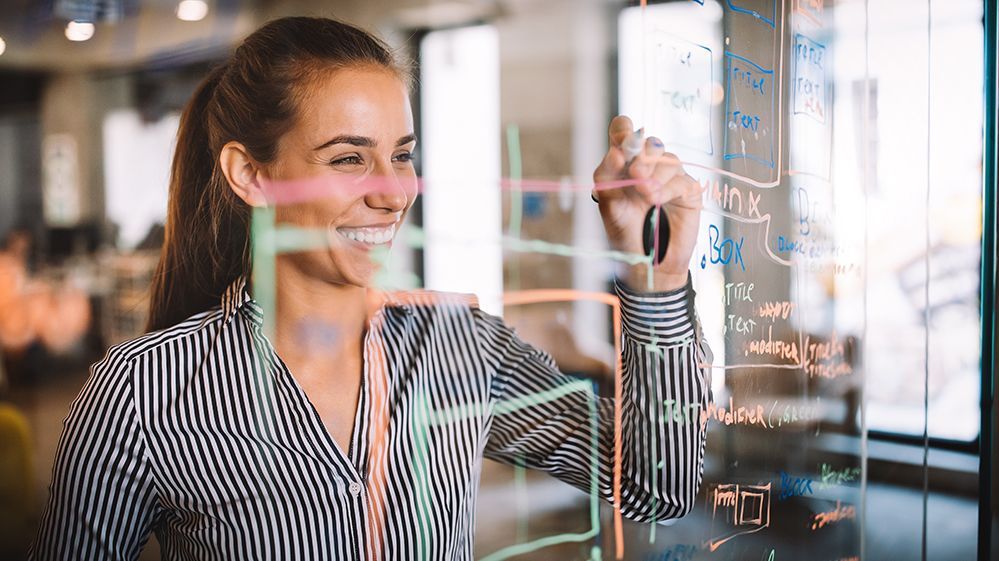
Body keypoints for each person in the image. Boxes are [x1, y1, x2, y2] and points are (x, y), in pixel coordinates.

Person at [31, 17, 711, 560]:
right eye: (349, 158)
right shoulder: (140, 393)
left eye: (402, 154)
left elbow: (657, 486)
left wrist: (657, 277)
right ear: (250, 174)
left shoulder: (460, 348)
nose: (392, 192)